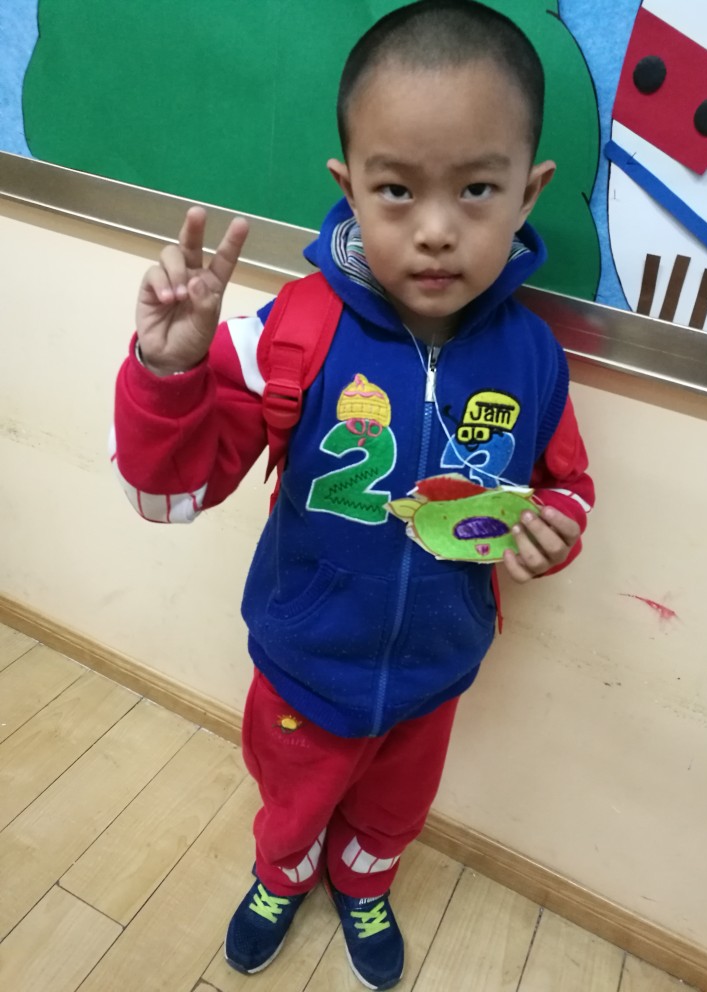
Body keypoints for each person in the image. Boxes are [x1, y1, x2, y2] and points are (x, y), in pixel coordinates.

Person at [112, 2, 594, 988]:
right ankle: (281, 873)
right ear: (349, 187)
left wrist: (556, 531)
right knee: (292, 803)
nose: (435, 231)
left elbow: (565, 484)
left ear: (529, 191)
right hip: (303, 667)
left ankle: (363, 881)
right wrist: (168, 372)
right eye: (396, 189)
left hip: (437, 671)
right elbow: (168, 496)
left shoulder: (535, 357)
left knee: (393, 812)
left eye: (476, 188)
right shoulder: (290, 330)